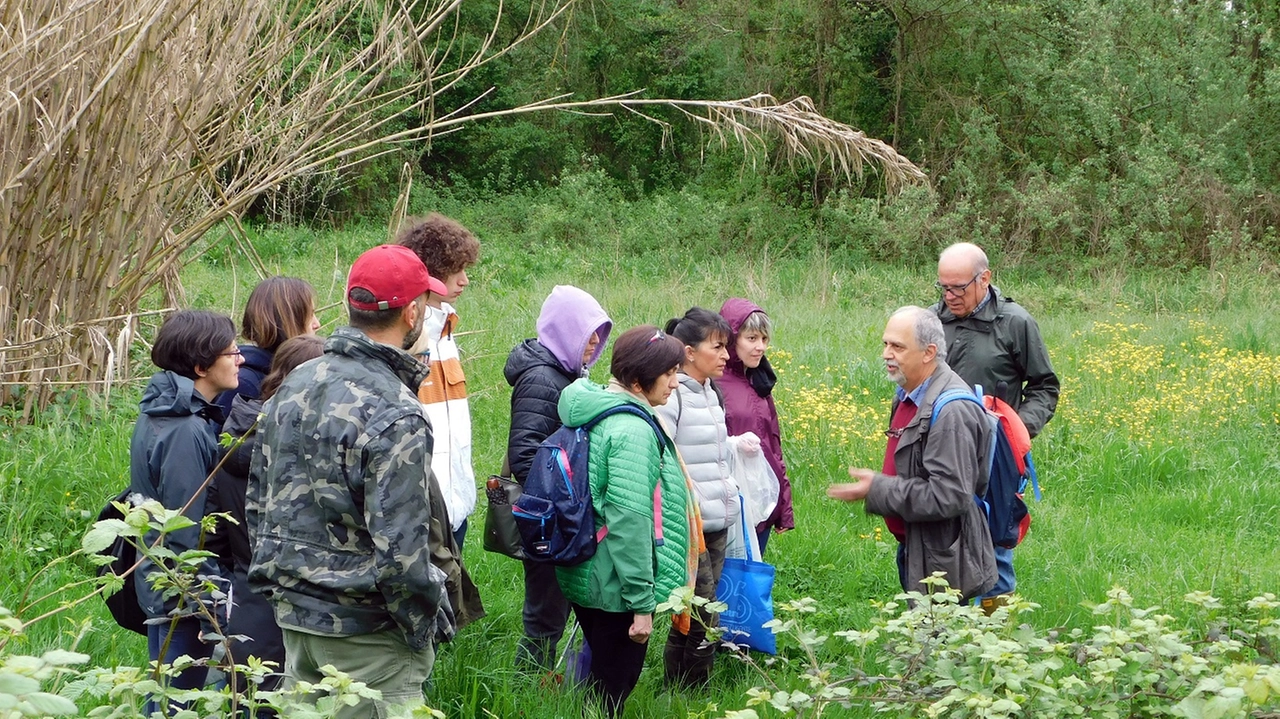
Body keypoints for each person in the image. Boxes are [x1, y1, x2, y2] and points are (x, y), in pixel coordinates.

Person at [247, 245, 451, 719]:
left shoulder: (297, 380)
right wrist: (422, 626)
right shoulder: (396, 410)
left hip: (296, 620)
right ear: (413, 312)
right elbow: (403, 553)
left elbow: (259, 500)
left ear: (350, 301)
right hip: (368, 636)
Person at [555, 325, 694, 718]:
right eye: (668, 374)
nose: (675, 383)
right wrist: (641, 603)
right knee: (612, 688)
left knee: (601, 677)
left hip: (585, 566)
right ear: (637, 381)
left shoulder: (594, 407)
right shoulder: (632, 430)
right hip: (615, 582)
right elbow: (630, 519)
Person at [827, 306, 997, 602]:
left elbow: (949, 495)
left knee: (935, 642)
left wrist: (877, 488)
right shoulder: (909, 393)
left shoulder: (952, 413)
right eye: (885, 344)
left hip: (943, 559)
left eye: (897, 346)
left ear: (929, 352)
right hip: (919, 546)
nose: (886, 354)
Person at [932, 242, 1059, 602]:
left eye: (959, 287)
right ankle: (940, 639)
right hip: (940, 454)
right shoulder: (929, 323)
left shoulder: (1015, 322)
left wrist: (1015, 430)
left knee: (994, 555)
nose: (950, 296)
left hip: (996, 458)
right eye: (943, 287)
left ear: (985, 278)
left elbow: (1045, 386)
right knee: (938, 549)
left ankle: (994, 645)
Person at [129, 309, 241, 712]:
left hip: (158, 583)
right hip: (182, 594)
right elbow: (183, 530)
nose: (240, 359)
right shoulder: (185, 431)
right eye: (231, 352)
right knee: (174, 704)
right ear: (200, 365)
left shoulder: (162, 409)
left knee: (163, 696)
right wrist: (212, 602)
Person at [207, 335, 324, 700]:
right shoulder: (307, 449)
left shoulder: (231, 440)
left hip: (245, 609)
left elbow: (212, 536)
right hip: (303, 616)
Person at [504, 285, 612, 670]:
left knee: (559, 608)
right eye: (587, 331)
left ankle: (549, 684)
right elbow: (525, 453)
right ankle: (526, 689)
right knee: (544, 615)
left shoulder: (566, 374)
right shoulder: (542, 378)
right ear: (565, 330)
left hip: (561, 515)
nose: (595, 341)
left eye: (600, 331)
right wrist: (569, 495)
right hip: (547, 519)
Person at [656, 307, 739, 689]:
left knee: (693, 610)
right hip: (691, 526)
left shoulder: (712, 392)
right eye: (718, 347)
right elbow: (663, 457)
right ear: (689, 352)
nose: (726, 355)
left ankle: (676, 686)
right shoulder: (675, 397)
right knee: (705, 612)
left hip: (718, 520)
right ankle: (696, 689)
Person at [397, 214, 480, 550]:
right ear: (427, 271)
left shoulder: (447, 333)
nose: (464, 280)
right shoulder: (408, 339)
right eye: (455, 270)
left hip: (456, 507)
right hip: (421, 511)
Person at [719, 298, 794, 554]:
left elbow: (773, 446)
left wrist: (783, 507)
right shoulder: (714, 383)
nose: (760, 347)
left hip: (759, 503)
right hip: (727, 503)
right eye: (751, 338)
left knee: (750, 580)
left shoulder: (760, 383)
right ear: (732, 339)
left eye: (764, 339)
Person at [213, 276, 320, 422]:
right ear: (288, 321)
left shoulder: (293, 370)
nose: (317, 324)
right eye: (310, 315)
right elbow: (221, 441)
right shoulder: (244, 383)